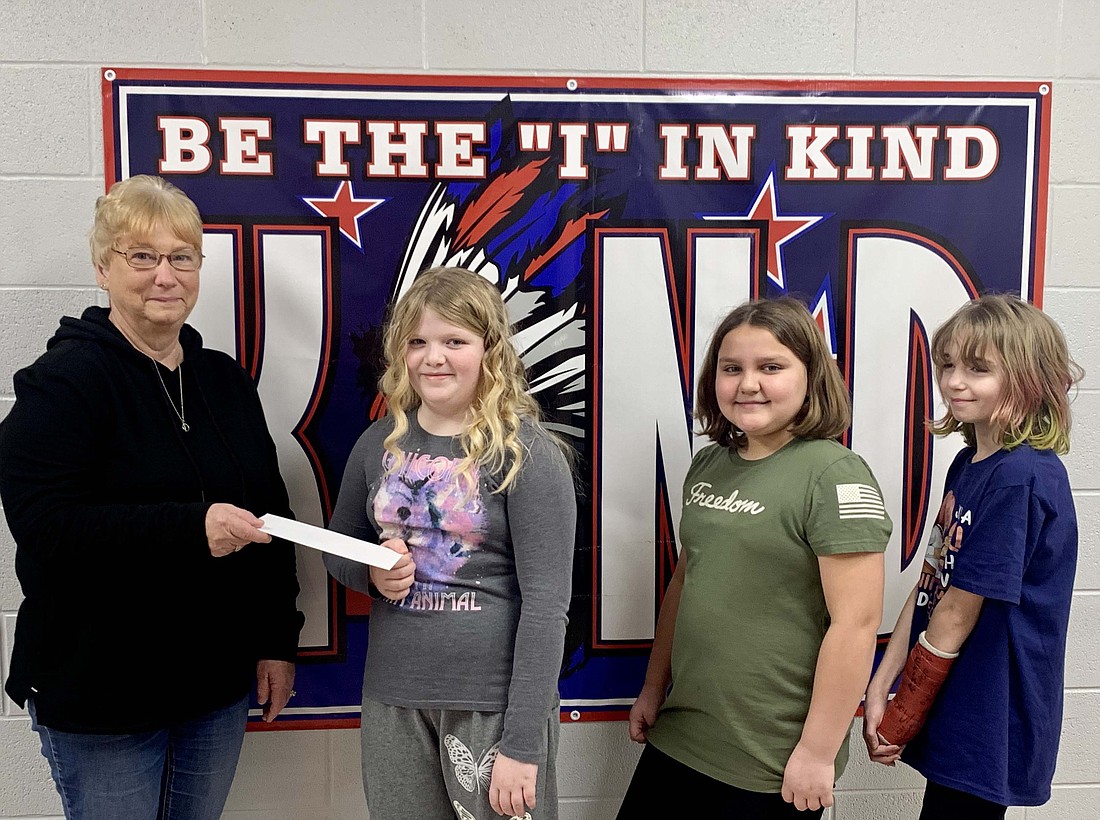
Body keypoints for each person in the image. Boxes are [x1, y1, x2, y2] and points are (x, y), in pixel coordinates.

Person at [0, 175, 304, 820]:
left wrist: (278, 639)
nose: (165, 275)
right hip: (101, 695)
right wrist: (190, 529)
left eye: (182, 257)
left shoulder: (224, 382)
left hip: (212, 688)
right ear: (103, 267)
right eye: (142, 256)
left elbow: (271, 520)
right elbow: (48, 531)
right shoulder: (62, 386)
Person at [617, 297, 891, 819]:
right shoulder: (708, 465)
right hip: (683, 734)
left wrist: (816, 752)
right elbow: (686, 581)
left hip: (772, 759)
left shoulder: (835, 474)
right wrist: (653, 686)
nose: (747, 384)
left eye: (771, 367)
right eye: (731, 368)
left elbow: (856, 625)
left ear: (811, 375)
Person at [325, 266, 576, 820]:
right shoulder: (378, 442)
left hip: (491, 704)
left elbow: (547, 607)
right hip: (394, 697)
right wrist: (371, 572)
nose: (433, 357)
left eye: (454, 341)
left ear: (490, 350)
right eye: (417, 342)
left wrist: (523, 744)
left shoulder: (527, 454)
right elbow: (338, 546)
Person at [863, 294, 1081, 819]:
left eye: (978, 369)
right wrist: (879, 683)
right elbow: (931, 582)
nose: (954, 381)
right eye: (947, 365)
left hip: (993, 706)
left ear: (1031, 377)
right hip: (956, 695)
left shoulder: (1021, 476)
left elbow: (958, 612)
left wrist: (901, 713)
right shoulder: (969, 462)